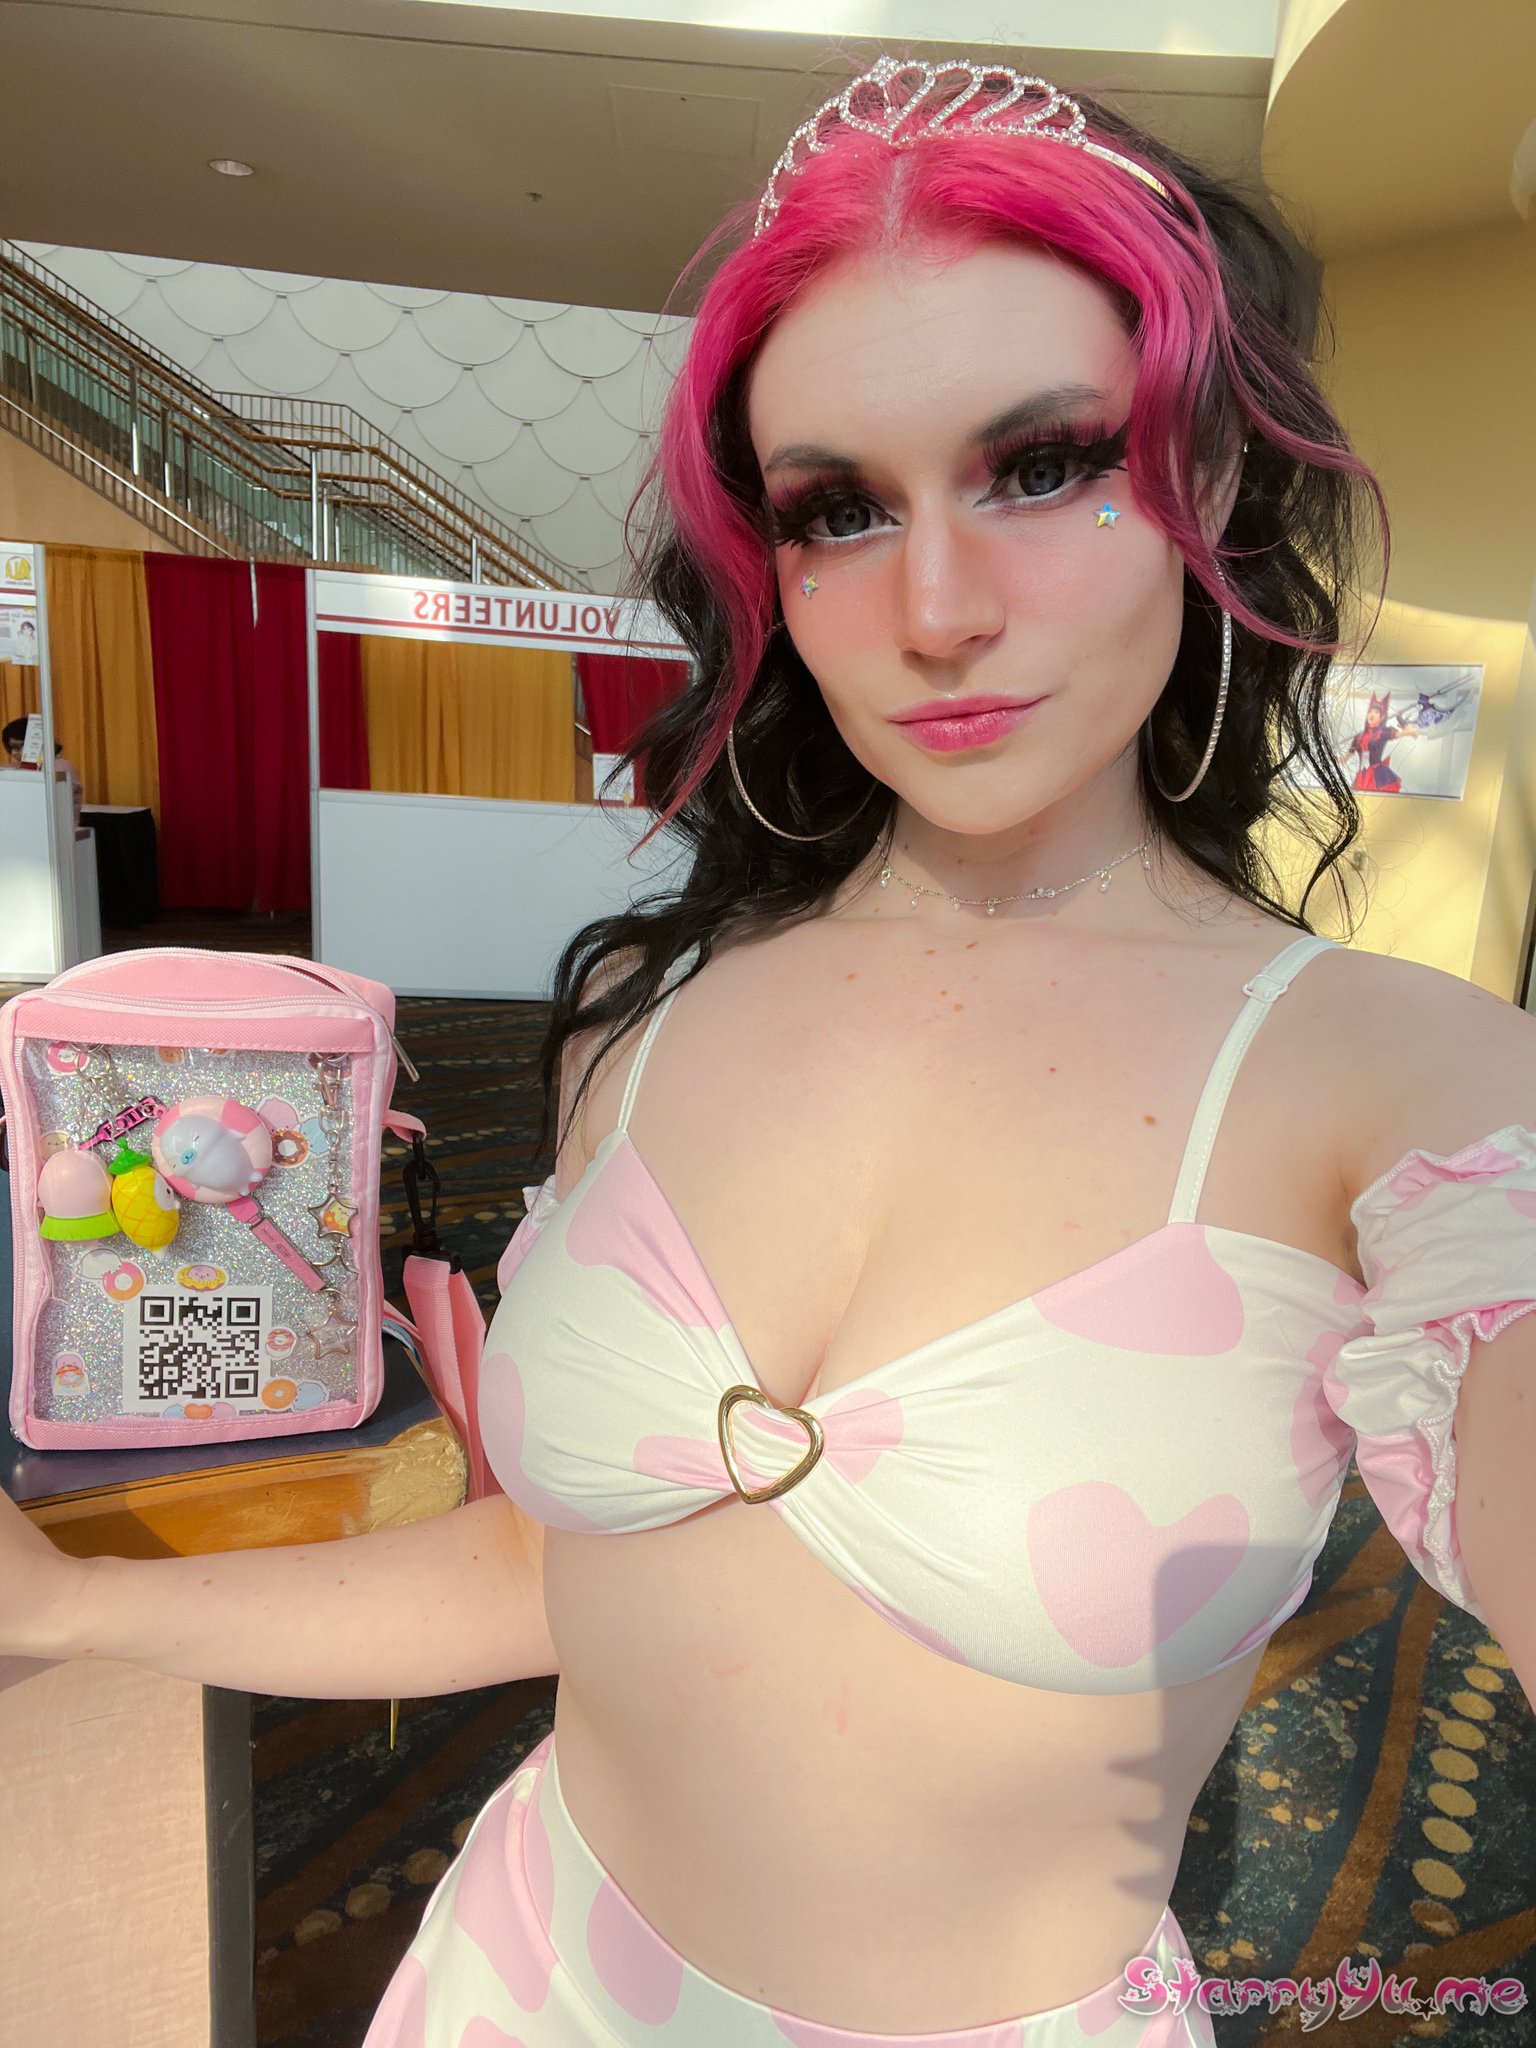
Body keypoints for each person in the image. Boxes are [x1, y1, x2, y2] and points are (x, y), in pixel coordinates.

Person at [3, 60, 1534, 2048]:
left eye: (1041, 465)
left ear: (1213, 478)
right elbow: (566, 1574)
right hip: (513, 1980)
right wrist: (76, 1601)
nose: (937, 608)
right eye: (837, 508)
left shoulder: (1398, 1085)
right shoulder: (650, 1019)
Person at [2, 713, 84, 827]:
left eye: (18, 747)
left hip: (58, 830)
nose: (13, 753)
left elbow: (46, 802)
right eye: (10, 749)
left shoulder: (62, 767)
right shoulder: (15, 767)